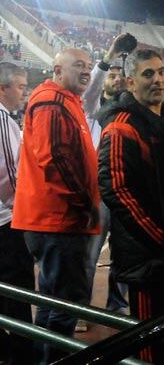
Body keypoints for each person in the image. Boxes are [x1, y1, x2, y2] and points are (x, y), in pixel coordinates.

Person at [97, 49, 164, 365]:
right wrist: (159, 237)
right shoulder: (121, 125)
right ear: (130, 81)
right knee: (148, 342)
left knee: (163, 331)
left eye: (162, 72)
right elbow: (115, 188)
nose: (158, 79)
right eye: (148, 74)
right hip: (149, 257)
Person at [12, 48, 101, 364]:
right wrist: (85, 201)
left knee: (52, 303)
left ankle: (43, 360)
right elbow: (55, 158)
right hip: (57, 220)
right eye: (78, 65)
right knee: (65, 305)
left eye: (88, 66)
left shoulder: (63, 99)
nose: (86, 71)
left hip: (53, 220)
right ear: (57, 69)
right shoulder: (52, 101)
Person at [80, 34, 131, 333]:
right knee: (89, 255)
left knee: (123, 254)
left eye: (118, 76)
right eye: (110, 76)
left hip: (122, 189)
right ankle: (80, 308)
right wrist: (110, 54)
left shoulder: (128, 108)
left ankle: (118, 306)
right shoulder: (91, 107)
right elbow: (93, 86)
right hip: (98, 191)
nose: (114, 80)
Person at [0, 62, 34, 364]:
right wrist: (21, 208)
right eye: (21, 87)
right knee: (19, 287)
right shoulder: (1, 119)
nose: (24, 93)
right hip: (6, 219)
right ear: (3, 87)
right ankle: (23, 352)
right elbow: (10, 173)